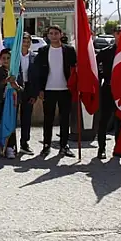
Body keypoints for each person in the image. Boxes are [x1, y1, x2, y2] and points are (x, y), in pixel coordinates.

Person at [29, 25, 77, 158]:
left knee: (64, 119)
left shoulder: (69, 50)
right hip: (48, 90)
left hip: (65, 89)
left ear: (61, 34)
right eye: (51, 33)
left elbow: (75, 69)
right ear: (48, 35)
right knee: (48, 119)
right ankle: (46, 145)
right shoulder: (43, 51)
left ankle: (64, 145)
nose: (54, 35)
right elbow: (37, 72)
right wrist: (40, 89)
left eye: (56, 33)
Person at [0, 49, 19, 159]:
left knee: (10, 124)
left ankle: (10, 147)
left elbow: (21, 88)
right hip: (0, 101)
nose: (6, 60)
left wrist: (16, 86)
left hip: (12, 103)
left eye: (8, 58)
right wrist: (6, 81)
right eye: (4, 58)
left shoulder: (16, 71)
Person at [95, 39, 117, 160]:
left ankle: (119, 148)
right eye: (117, 33)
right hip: (108, 88)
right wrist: (101, 74)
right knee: (104, 119)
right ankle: (101, 148)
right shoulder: (105, 51)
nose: (119, 35)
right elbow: (94, 64)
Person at [17, 33, 36, 154]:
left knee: (26, 118)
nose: (26, 43)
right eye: (24, 40)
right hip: (15, 88)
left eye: (28, 41)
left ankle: (24, 143)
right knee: (11, 116)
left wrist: (34, 94)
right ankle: (10, 144)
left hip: (28, 89)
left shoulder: (34, 57)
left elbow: (36, 76)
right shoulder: (13, 55)